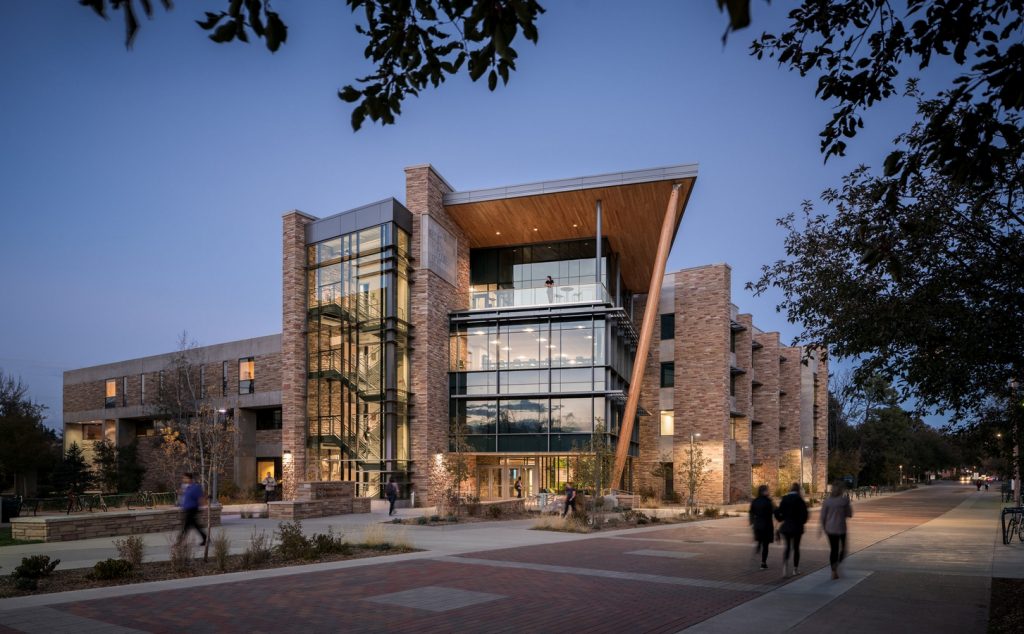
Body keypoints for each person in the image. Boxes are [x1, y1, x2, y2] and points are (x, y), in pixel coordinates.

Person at [820, 479, 854, 579]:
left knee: (833, 549)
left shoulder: (827, 501)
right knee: (843, 549)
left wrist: (822, 528)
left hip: (829, 529)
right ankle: (836, 565)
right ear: (841, 490)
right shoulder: (844, 501)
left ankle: (833, 571)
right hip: (841, 528)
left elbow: (823, 516)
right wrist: (848, 504)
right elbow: (849, 514)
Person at [775, 483, 809, 577]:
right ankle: (795, 569)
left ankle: (785, 569)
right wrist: (802, 522)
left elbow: (778, 512)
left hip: (786, 527)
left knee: (787, 547)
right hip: (797, 527)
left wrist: (780, 519)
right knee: (796, 548)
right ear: (798, 490)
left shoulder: (784, 499)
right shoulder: (800, 500)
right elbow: (805, 515)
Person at [748, 484, 776, 570]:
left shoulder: (755, 501)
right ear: (764, 492)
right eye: (767, 490)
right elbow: (775, 511)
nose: (769, 491)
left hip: (757, 525)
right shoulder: (768, 501)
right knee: (766, 545)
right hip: (767, 525)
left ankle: (758, 545)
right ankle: (763, 563)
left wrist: (752, 522)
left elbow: (751, 512)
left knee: (760, 540)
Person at [179, 472, 207, 546]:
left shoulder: (195, 487)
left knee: (186, 526)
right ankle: (205, 537)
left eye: (185, 478)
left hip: (192, 509)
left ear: (189, 479)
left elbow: (201, 498)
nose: (183, 479)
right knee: (195, 525)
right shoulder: (186, 487)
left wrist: (203, 508)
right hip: (187, 509)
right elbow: (185, 497)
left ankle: (180, 541)